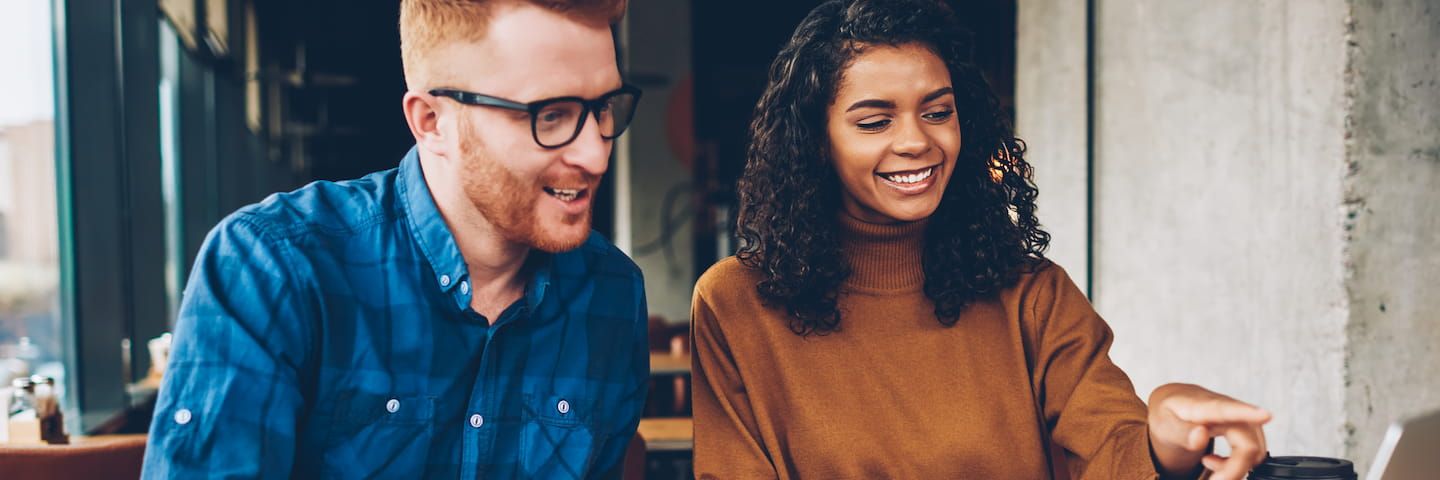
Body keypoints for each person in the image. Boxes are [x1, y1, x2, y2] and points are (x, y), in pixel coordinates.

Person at [690, 1, 1270, 478]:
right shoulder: (738, 303)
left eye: (937, 112)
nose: (917, 141)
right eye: (875, 121)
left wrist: (1164, 442)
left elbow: (1111, 445)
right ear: (816, 140)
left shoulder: (1032, 296)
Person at [143, 1, 648, 477]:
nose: (596, 155)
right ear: (431, 122)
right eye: (551, 115)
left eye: (604, 108)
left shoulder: (612, 292)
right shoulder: (272, 267)